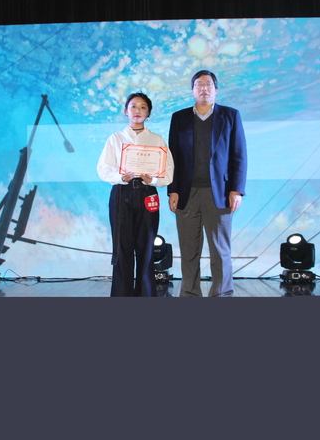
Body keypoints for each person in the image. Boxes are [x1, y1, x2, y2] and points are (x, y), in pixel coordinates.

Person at [167, 70, 247, 297]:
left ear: (216, 89)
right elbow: (173, 157)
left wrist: (236, 190)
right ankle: (190, 295)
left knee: (220, 251)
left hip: (220, 194)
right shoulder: (179, 118)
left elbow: (239, 155)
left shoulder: (230, 116)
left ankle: (221, 294)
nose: (203, 88)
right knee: (188, 251)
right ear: (192, 90)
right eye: (199, 84)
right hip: (186, 194)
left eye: (208, 84)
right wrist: (172, 190)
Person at [97, 92, 174, 297]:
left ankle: (145, 295)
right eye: (133, 106)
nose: (137, 110)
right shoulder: (115, 139)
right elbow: (103, 169)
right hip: (121, 193)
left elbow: (168, 173)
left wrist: (153, 180)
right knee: (122, 248)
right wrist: (121, 176)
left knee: (146, 248)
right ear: (126, 111)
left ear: (148, 113)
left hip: (148, 194)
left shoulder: (156, 140)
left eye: (142, 107)